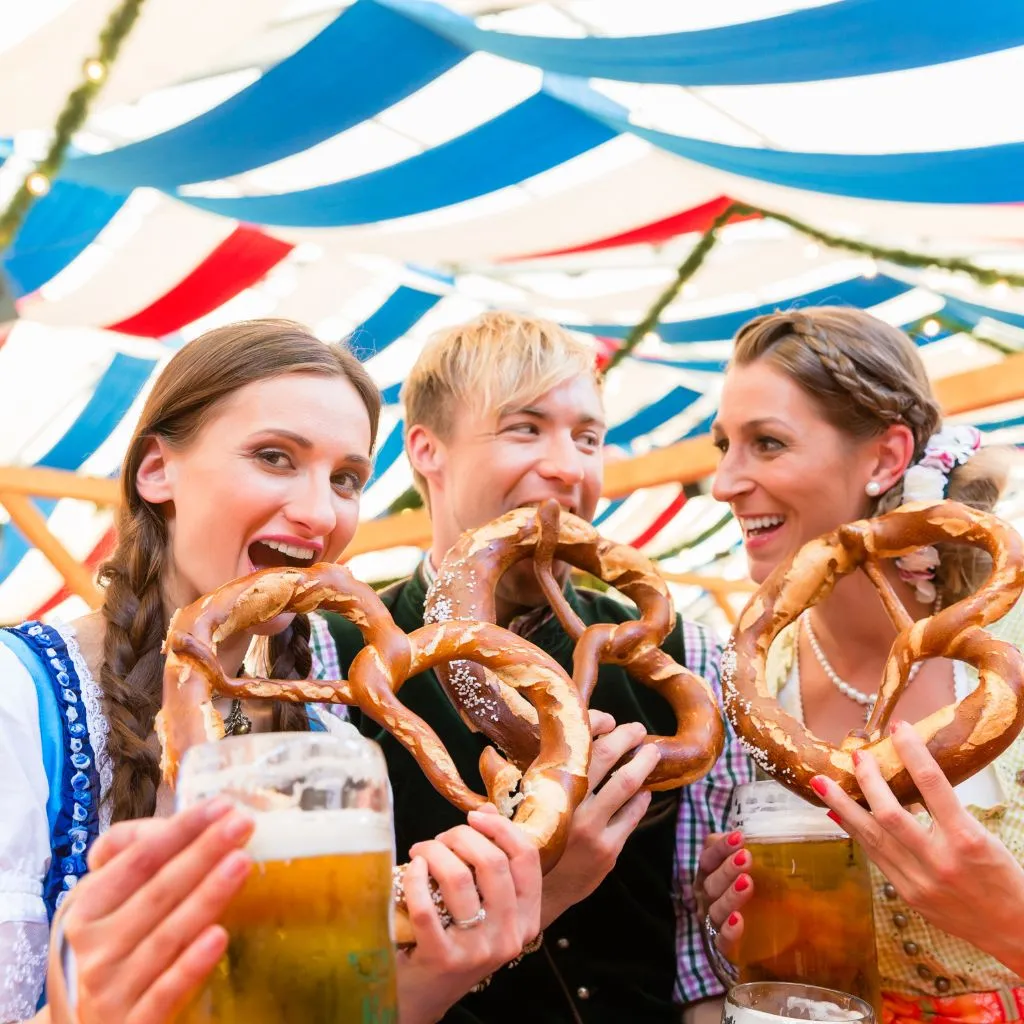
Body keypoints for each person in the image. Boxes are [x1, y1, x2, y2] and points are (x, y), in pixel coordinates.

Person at [0, 320, 543, 1024]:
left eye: (346, 478)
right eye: (275, 457)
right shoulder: (19, 702)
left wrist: (429, 984)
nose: (321, 513)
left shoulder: (328, 740)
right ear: (157, 469)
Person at [314, 311, 752, 1023]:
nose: (569, 467)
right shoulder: (333, 655)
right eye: (526, 429)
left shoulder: (685, 655)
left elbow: (700, 963)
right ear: (427, 449)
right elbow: (324, 957)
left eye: (588, 437)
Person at [698, 306, 1024, 1023]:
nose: (723, 484)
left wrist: (1010, 921)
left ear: (885, 458)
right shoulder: (757, 676)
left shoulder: (1012, 638)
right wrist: (741, 927)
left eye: (767, 444)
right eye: (725, 445)